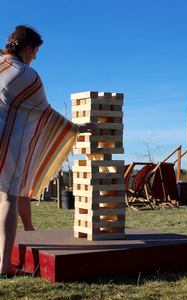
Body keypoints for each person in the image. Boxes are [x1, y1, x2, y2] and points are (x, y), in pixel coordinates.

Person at [0, 25, 96, 276]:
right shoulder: (26, 74)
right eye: (35, 52)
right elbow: (46, 112)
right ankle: (4, 266)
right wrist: (76, 127)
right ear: (27, 47)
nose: (35, 57)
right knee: (8, 197)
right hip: (8, 142)